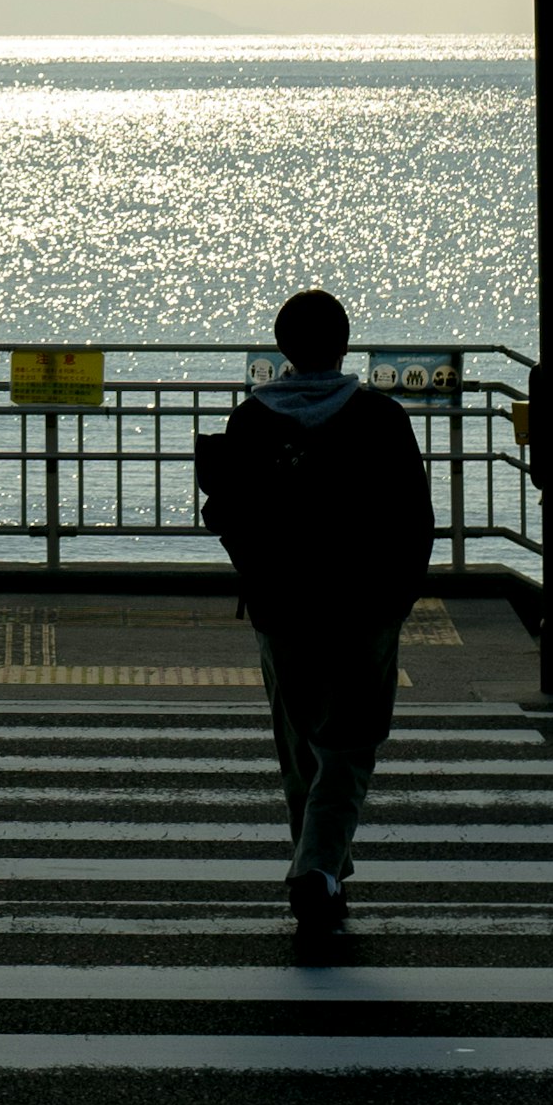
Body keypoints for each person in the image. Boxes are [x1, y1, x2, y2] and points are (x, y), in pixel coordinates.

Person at [194, 287, 437, 942]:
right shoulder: (380, 418)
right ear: (344, 343)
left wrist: (258, 573)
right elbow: (414, 520)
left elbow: (227, 513)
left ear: (283, 349)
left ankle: (319, 866)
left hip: (281, 606)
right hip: (365, 606)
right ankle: (319, 869)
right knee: (351, 745)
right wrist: (399, 599)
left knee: (301, 747)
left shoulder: (252, 421)